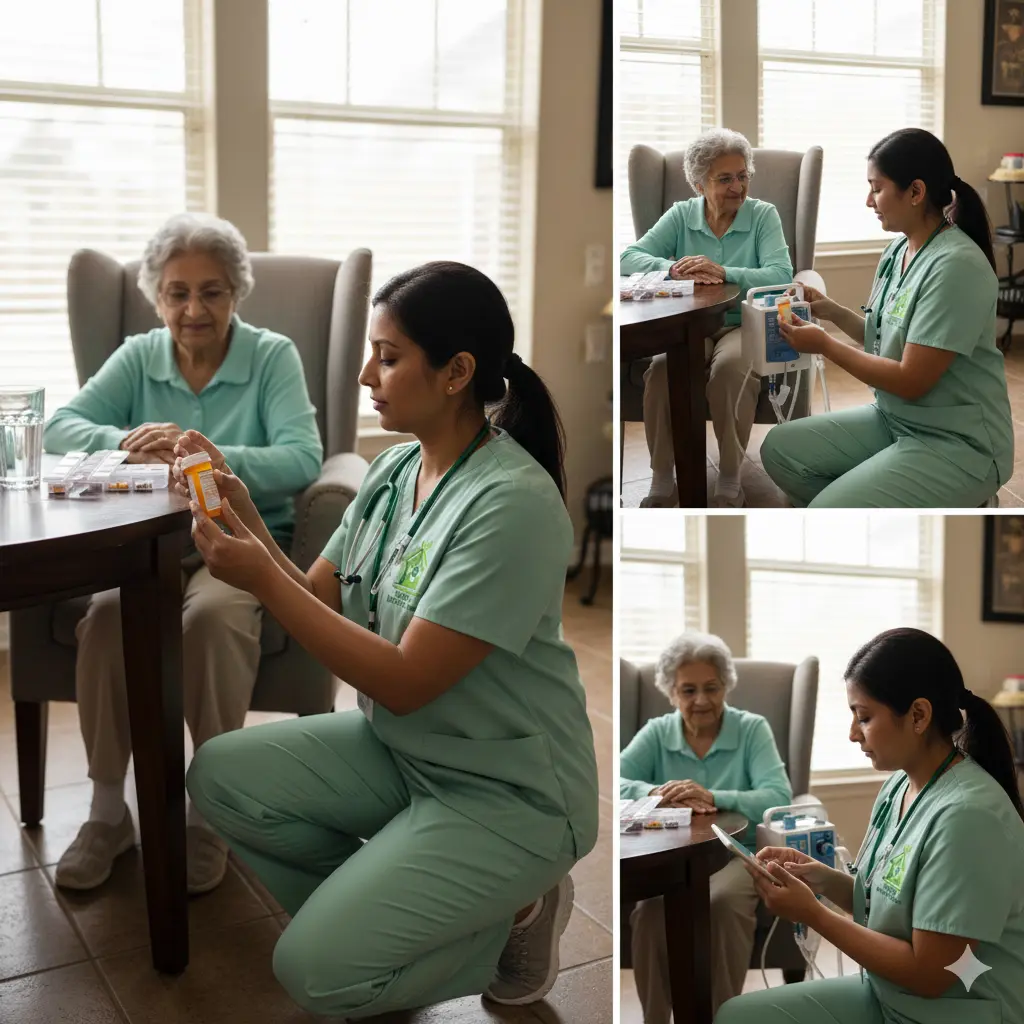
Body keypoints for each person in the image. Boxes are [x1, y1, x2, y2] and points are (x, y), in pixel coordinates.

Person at [178, 261, 600, 1019]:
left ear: (456, 373)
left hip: (509, 790)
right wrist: (239, 507)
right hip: (405, 751)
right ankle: (385, 920)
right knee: (218, 775)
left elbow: (405, 681)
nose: (366, 374)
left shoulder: (512, 504)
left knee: (313, 974)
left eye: (389, 356)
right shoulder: (394, 469)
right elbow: (318, 598)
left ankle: (515, 915)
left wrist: (259, 576)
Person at [44, 213, 323, 894]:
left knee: (213, 621)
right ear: (156, 296)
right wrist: (129, 442)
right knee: (106, 620)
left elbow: (302, 457)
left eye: (212, 291)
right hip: (146, 546)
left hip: (238, 541)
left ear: (236, 292)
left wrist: (204, 455)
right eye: (177, 293)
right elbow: (58, 427)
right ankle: (108, 814)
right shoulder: (139, 355)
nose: (194, 309)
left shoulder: (272, 356)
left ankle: (209, 815)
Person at [717, 628, 1024, 1024]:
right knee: (736, 1015)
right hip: (892, 995)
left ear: (918, 716)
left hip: (952, 1011)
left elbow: (931, 975)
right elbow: (884, 905)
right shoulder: (899, 787)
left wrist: (813, 914)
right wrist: (820, 878)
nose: (852, 734)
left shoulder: (968, 817)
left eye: (863, 717)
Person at [760, 129, 1014, 508]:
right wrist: (830, 311)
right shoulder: (897, 251)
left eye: (876, 189)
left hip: (957, 441)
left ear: (916, 191)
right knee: (780, 451)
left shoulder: (956, 266)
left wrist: (824, 345)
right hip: (896, 418)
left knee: (827, 511)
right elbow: (882, 338)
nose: (869, 201)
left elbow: (911, 379)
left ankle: (965, 497)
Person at [620, 632, 792, 1019]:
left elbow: (778, 794)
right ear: (671, 692)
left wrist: (712, 796)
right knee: (650, 912)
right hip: (670, 860)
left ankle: (721, 1017)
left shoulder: (752, 729)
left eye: (711, 688)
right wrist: (657, 792)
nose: (701, 700)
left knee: (721, 902)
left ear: (726, 685)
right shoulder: (657, 732)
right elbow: (615, 780)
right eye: (688, 690)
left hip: (738, 854)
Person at [621, 128, 794, 508]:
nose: (738, 187)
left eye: (743, 176)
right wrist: (672, 269)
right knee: (662, 372)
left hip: (742, 321)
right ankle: (662, 475)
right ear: (699, 184)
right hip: (687, 326)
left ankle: (730, 475)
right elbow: (628, 258)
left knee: (731, 371)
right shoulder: (682, 215)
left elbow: (782, 274)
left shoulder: (762, 215)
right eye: (725, 179)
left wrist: (722, 271)